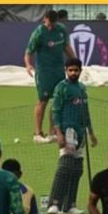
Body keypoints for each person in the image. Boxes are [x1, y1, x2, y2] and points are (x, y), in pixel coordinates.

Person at [47, 57, 98, 214]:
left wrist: (91, 132)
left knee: (77, 169)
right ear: (66, 71)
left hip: (81, 131)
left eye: (76, 70)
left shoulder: (82, 88)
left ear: (80, 71)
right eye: (70, 70)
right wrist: (58, 133)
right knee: (65, 166)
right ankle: (54, 203)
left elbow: (86, 111)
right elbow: (55, 111)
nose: (73, 73)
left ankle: (69, 205)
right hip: (68, 130)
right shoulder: (61, 88)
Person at [24, 10, 76, 144]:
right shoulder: (39, 32)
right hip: (44, 72)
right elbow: (28, 52)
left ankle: (53, 131)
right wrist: (28, 65)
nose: (51, 26)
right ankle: (37, 134)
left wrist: (75, 60)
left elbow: (66, 46)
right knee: (43, 101)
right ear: (44, 19)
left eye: (53, 23)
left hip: (59, 70)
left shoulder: (61, 29)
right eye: (49, 23)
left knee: (57, 101)